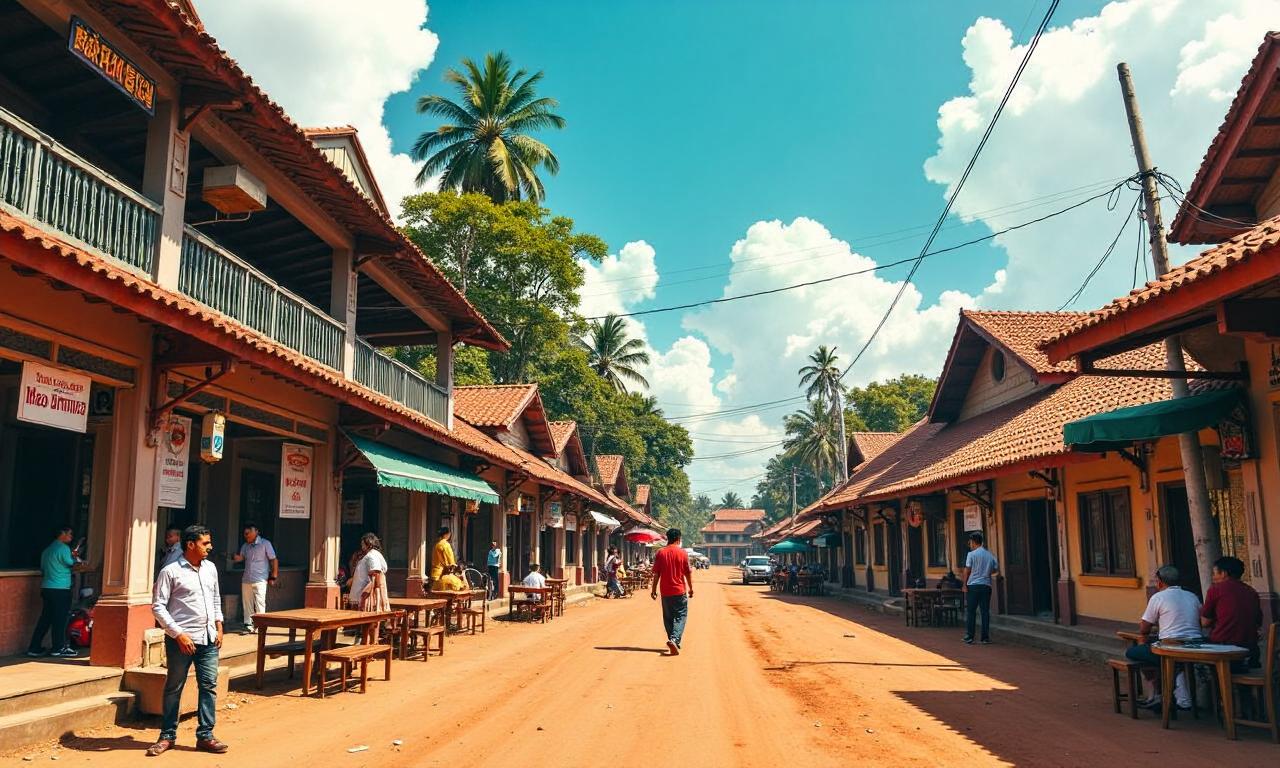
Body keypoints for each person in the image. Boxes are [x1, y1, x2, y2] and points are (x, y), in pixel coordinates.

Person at [148, 525, 227, 756]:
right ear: (190, 544)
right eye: (205, 543)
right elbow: (158, 606)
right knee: (174, 687)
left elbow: (215, 598)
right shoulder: (170, 571)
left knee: (209, 686)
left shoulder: (210, 569)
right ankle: (167, 736)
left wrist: (219, 625)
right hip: (180, 641)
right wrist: (178, 633)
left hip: (208, 638)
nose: (210, 547)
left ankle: (206, 736)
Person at [1125, 565, 1204, 711]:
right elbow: (1200, 622)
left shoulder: (1158, 597)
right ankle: (1169, 691)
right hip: (1196, 646)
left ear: (1160, 582)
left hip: (1171, 647)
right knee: (1157, 652)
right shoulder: (1192, 596)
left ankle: (1156, 693)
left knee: (1134, 652)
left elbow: (1144, 629)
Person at [28, 526, 89, 658]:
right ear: (62, 534)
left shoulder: (47, 550)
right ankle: (58, 647)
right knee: (60, 620)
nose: (71, 537)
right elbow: (73, 564)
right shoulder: (63, 548)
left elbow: (44, 569)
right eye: (69, 534)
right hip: (60, 589)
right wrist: (79, 561)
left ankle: (34, 647)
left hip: (47, 588)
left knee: (45, 620)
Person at [1200, 555, 1262, 670]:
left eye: (1214, 573)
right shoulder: (1252, 591)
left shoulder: (1216, 589)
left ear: (1223, 573)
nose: (1213, 577)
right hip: (1251, 651)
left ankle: (1216, 687)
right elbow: (1258, 621)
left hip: (1225, 650)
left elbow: (1205, 623)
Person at [650, 528, 694, 656]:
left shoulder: (660, 553)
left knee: (668, 618)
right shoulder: (683, 553)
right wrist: (691, 588)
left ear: (667, 538)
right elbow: (687, 573)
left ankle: (672, 640)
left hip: (665, 592)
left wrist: (653, 590)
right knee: (681, 617)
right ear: (679, 539)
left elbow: (657, 574)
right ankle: (674, 639)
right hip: (679, 591)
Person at [231, 524, 276, 634]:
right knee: (247, 603)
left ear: (256, 531)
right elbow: (241, 558)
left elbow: (274, 560)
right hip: (247, 578)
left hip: (260, 578)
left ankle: (261, 626)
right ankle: (248, 625)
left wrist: (273, 576)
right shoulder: (245, 546)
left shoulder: (265, 544)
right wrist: (235, 558)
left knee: (260, 602)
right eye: (245, 534)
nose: (246, 536)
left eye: (248, 533)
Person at [962, 531, 999, 645]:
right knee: (985, 612)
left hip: (973, 585)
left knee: (971, 611)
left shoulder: (971, 555)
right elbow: (995, 570)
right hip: (986, 585)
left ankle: (970, 636)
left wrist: (964, 585)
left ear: (973, 542)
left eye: (970, 542)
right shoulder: (990, 555)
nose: (970, 544)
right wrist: (986, 572)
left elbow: (967, 570)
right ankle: (985, 637)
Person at [347, 533, 389, 612]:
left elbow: (376, 575)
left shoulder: (371, 555)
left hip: (364, 592)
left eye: (363, 544)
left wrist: (369, 594)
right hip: (362, 590)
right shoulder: (375, 554)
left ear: (369, 544)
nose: (362, 546)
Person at [430, 527, 456, 591]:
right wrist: (453, 565)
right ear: (446, 535)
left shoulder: (437, 544)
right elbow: (450, 557)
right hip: (443, 573)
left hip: (435, 572)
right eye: (449, 534)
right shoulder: (445, 544)